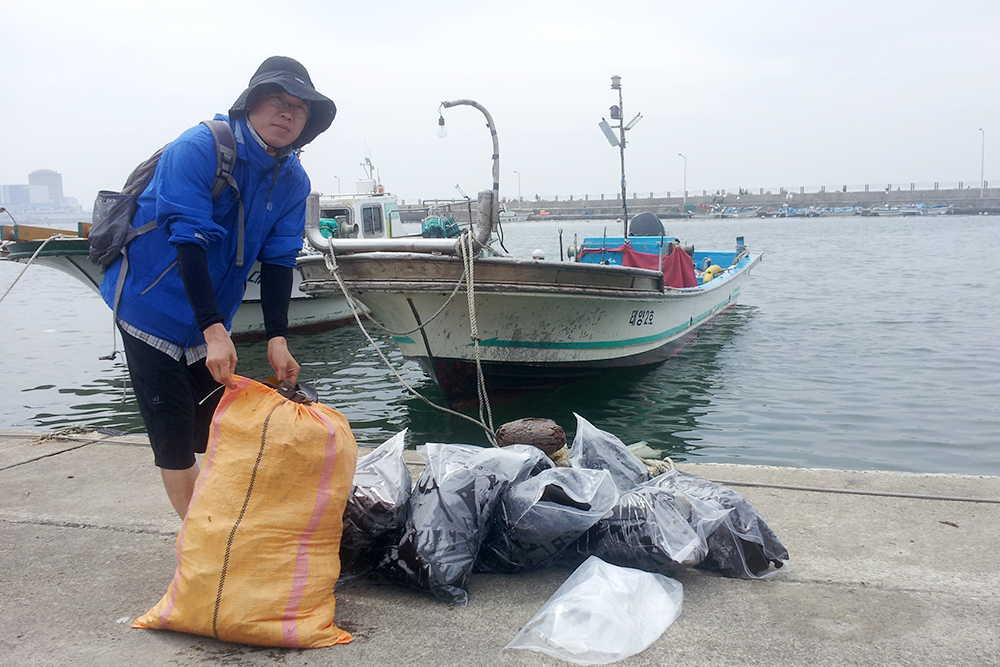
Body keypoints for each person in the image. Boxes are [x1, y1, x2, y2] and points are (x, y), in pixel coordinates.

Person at [99, 56, 336, 518]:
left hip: (211, 316)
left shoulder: (293, 179)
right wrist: (214, 331)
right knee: (172, 431)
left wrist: (277, 339)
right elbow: (187, 240)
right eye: (277, 101)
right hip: (150, 306)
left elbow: (279, 260)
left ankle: (216, 521)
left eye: (300, 108)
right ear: (250, 104)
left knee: (211, 428)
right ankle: (200, 543)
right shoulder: (197, 147)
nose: (287, 113)